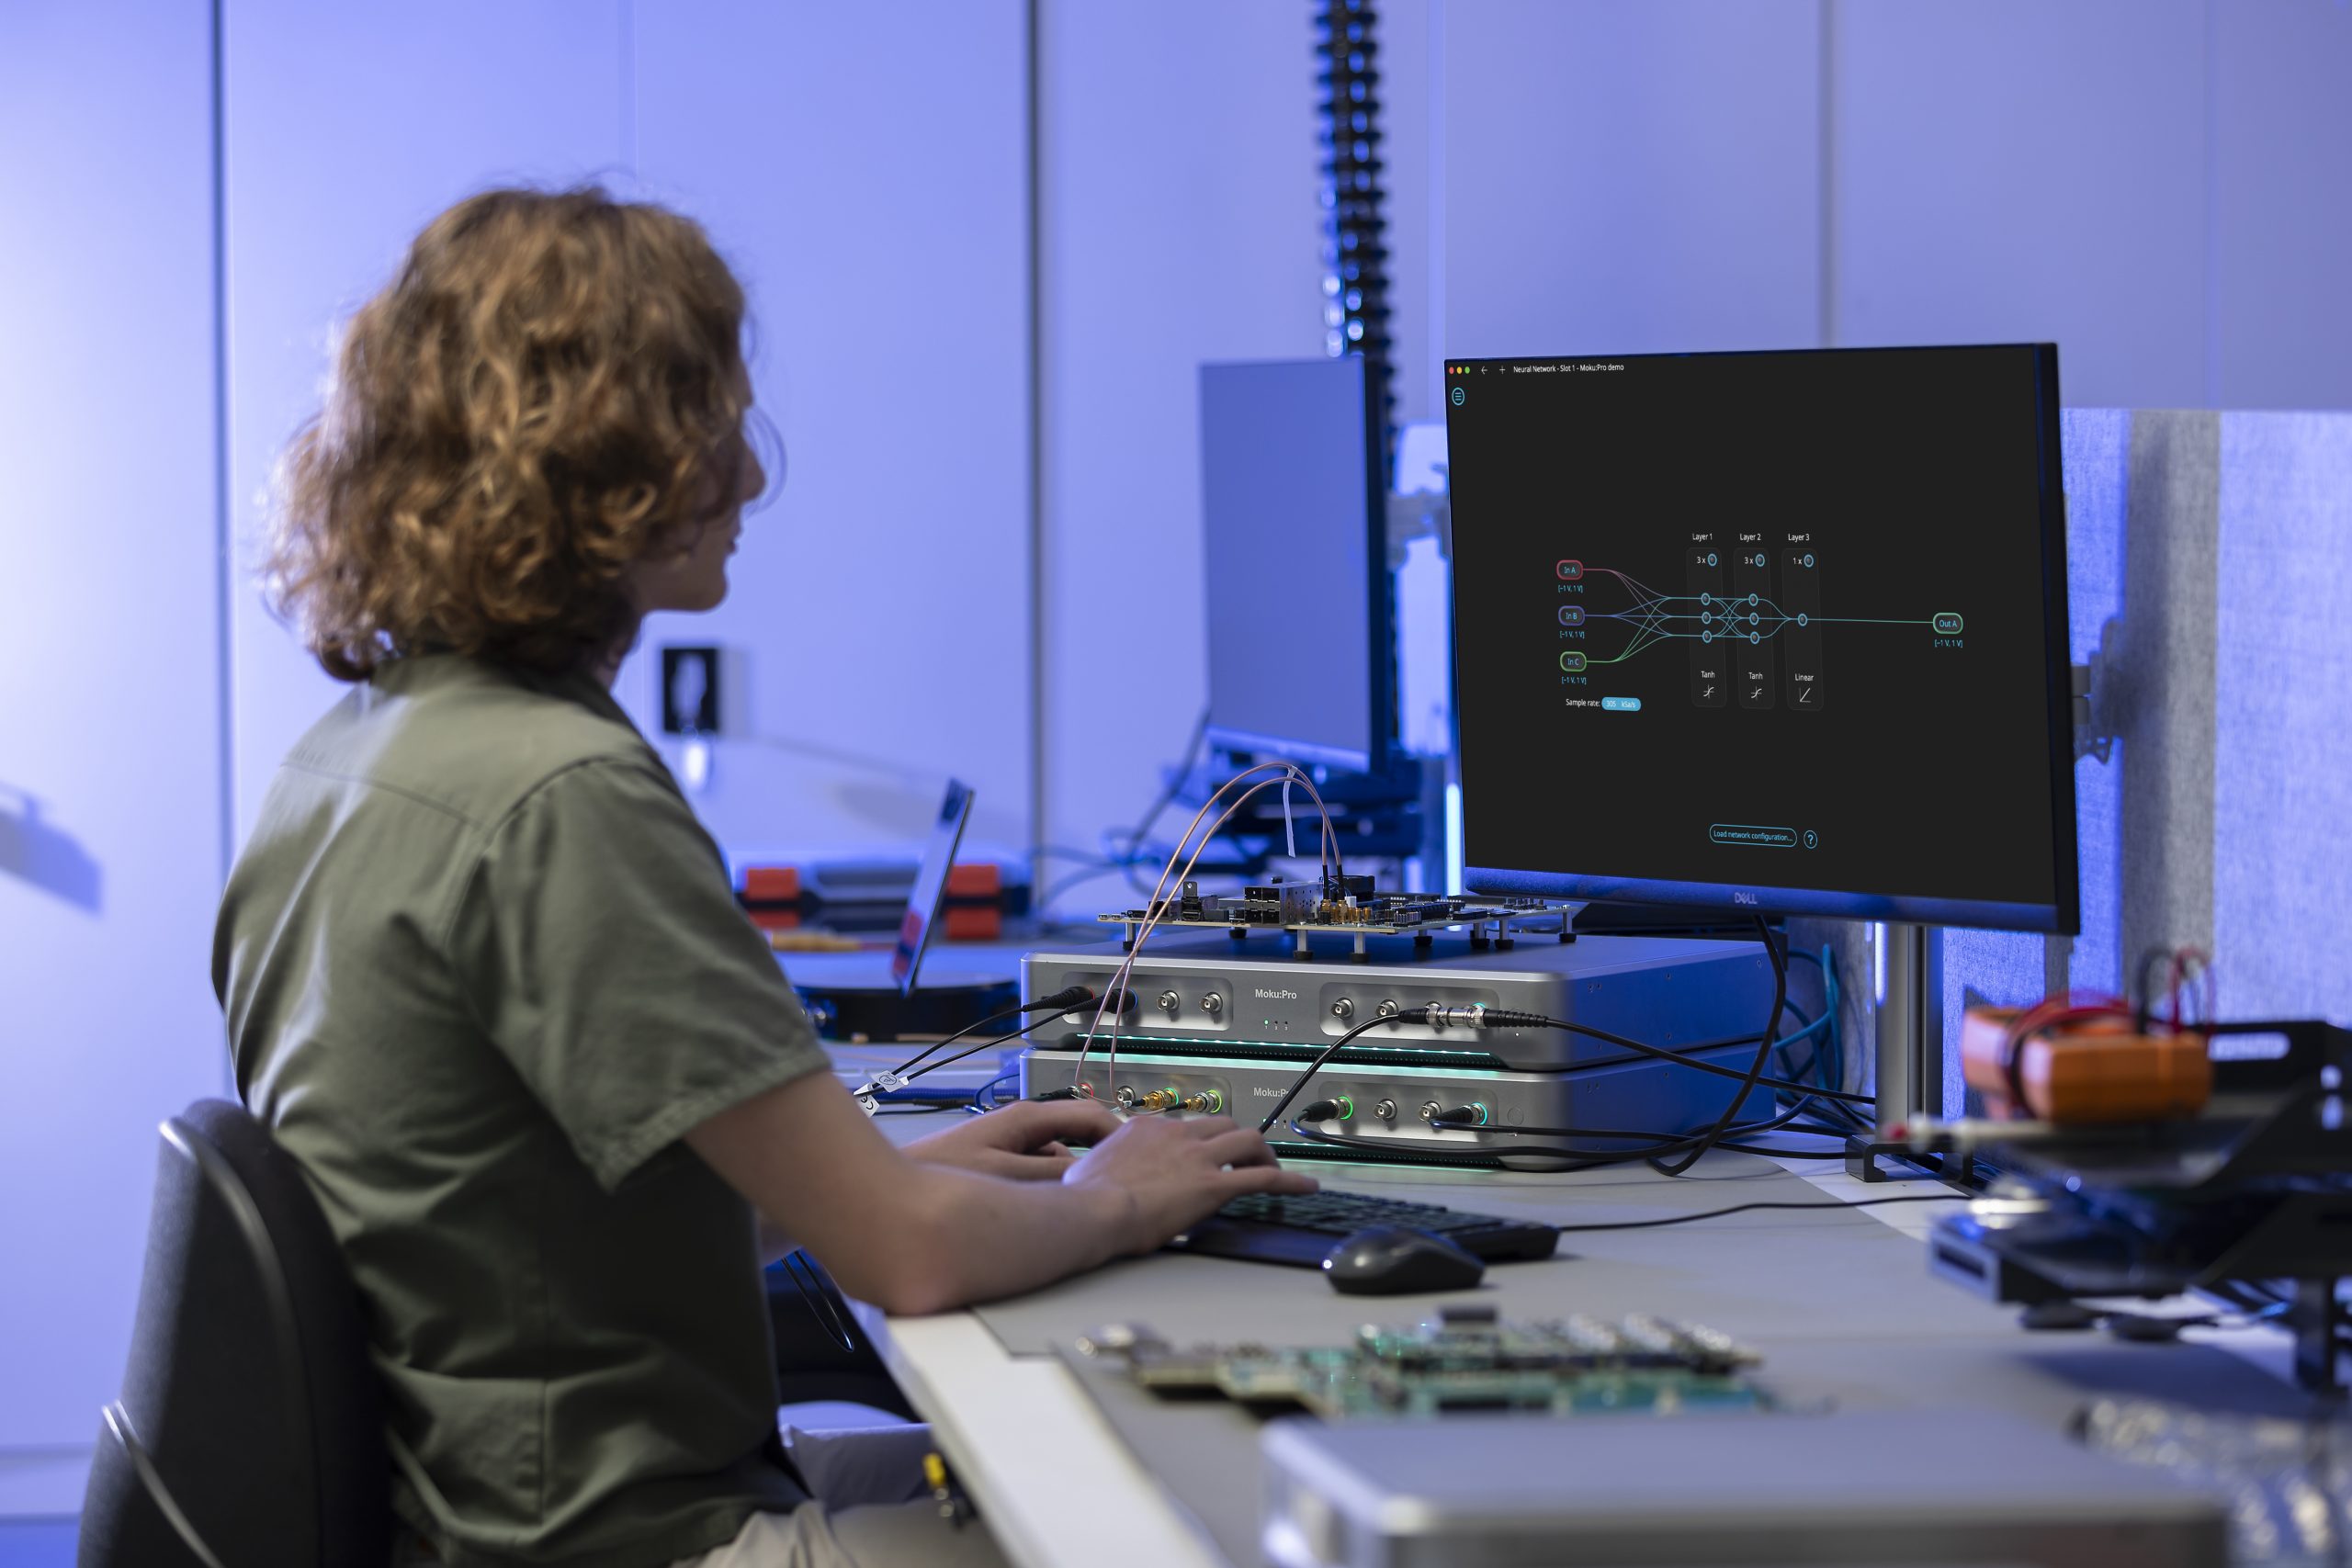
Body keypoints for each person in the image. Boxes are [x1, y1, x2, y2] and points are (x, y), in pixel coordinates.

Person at [212, 186, 1316, 1568]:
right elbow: (907, 1259)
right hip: (638, 1542)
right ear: (599, 459)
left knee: (1100, 1457)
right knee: (1209, 1518)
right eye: (712, 424)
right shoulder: (560, 796)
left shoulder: (356, 756)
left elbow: (501, 1221)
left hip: (495, 1512)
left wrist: (891, 1170)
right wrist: (1120, 1199)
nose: (747, 476)